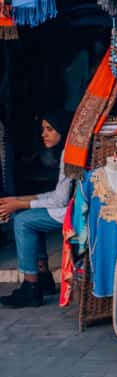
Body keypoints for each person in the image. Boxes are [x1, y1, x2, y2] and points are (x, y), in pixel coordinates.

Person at [0, 112, 71, 308]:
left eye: (50, 129)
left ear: (63, 131)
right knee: (25, 216)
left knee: (23, 221)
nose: (44, 134)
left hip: (73, 212)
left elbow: (60, 200)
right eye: (42, 130)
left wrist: (20, 203)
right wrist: (19, 200)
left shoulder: (70, 154)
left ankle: (31, 287)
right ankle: (43, 277)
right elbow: (58, 193)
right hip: (68, 207)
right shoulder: (67, 151)